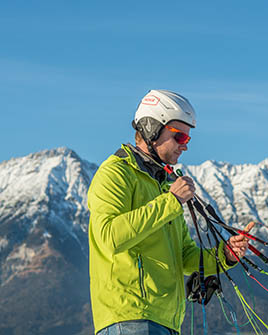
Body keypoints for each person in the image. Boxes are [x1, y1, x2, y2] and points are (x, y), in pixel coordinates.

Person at [87, 89, 254, 335]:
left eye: (187, 139)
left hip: (166, 321)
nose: (184, 146)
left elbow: (185, 257)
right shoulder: (116, 174)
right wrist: (172, 201)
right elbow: (108, 237)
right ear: (151, 129)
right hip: (130, 318)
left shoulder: (163, 185)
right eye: (179, 137)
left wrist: (226, 255)